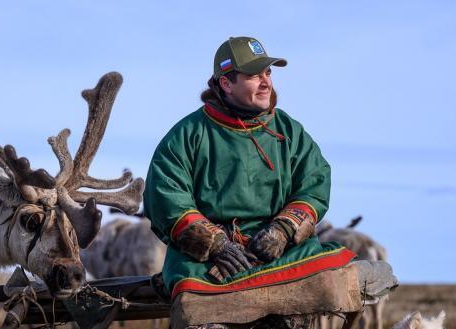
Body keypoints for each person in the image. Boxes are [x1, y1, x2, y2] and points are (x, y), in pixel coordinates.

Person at [144, 37, 358, 328]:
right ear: (226, 84)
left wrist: (283, 230)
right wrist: (215, 244)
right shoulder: (188, 134)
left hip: (279, 251)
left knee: (324, 271)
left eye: (268, 73)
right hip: (210, 261)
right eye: (254, 75)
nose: (265, 82)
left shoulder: (289, 131)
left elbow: (315, 183)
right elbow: (165, 196)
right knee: (197, 299)